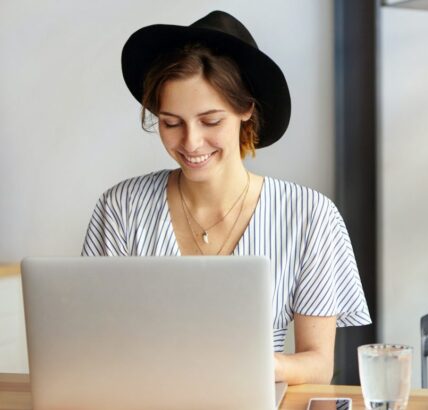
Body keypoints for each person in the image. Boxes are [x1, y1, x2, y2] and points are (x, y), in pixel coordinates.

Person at [81, 10, 371, 385]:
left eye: (210, 121)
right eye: (171, 122)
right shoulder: (120, 208)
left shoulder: (309, 215)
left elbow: (317, 364)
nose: (191, 142)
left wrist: (260, 365)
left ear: (246, 109)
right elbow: (90, 342)